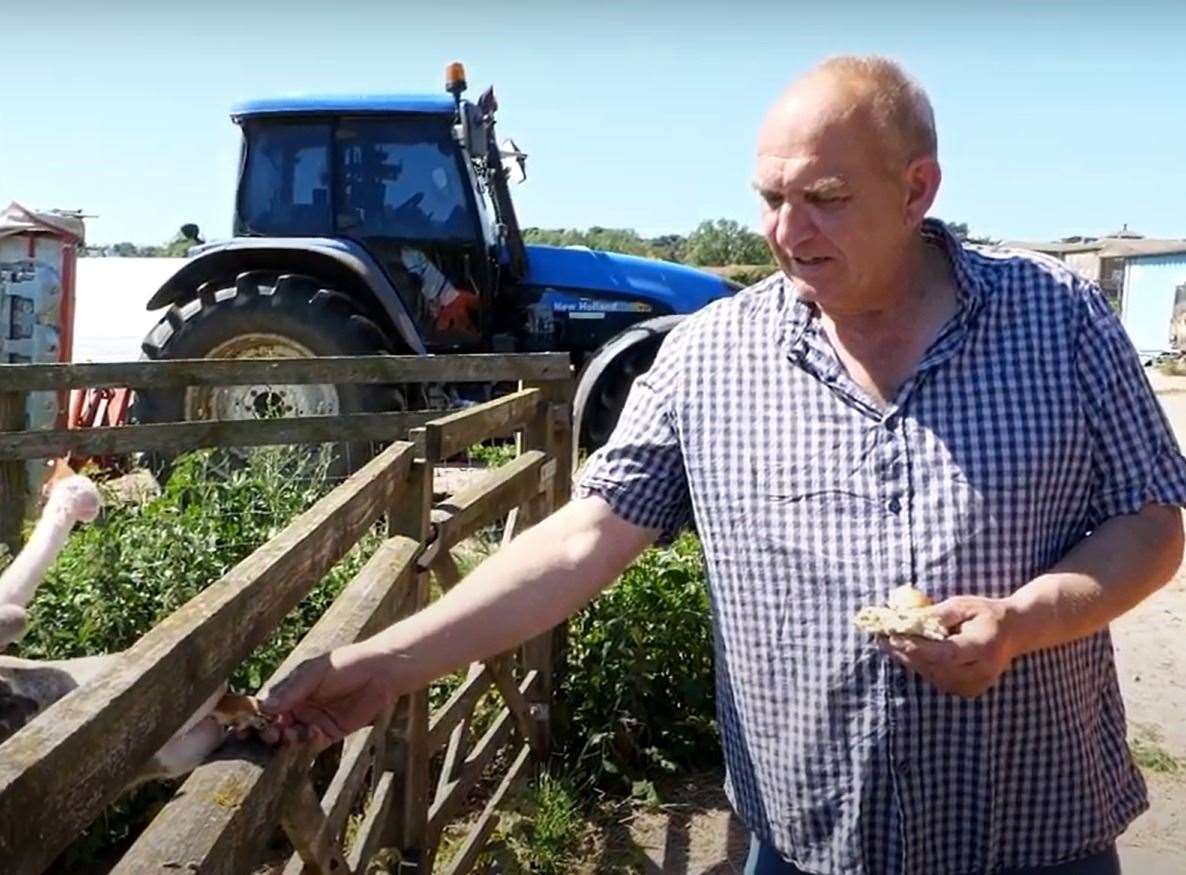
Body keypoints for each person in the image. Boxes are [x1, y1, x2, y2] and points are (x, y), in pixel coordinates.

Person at [260, 56, 1186, 875]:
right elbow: (585, 537)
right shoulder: (708, 358)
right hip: (804, 845)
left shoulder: (1058, 319)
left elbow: (1153, 519)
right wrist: (384, 663)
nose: (787, 232)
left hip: (1035, 840)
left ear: (917, 190)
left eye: (825, 198)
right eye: (770, 198)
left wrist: (1021, 621)